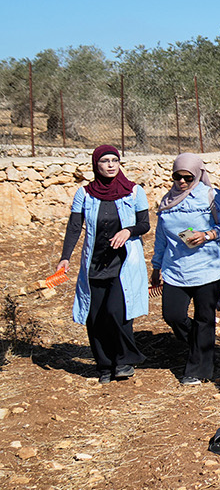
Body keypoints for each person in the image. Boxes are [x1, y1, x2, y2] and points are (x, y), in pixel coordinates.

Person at [56, 145, 152, 383]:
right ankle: (104, 366)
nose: (110, 165)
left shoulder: (133, 191)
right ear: (95, 165)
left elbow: (144, 224)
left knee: (116, 311)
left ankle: (124, 360)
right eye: (105, 161)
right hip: (95, 263)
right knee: (96, 316)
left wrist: (128, 231)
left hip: (124, 265)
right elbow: (75, 227)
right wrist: (65, 257)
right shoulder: (85, 194)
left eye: (114, 160)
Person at [150, 153, 220, 386]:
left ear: (198, 175)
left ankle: (197, 369)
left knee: (204, 318)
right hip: (175, 270)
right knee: (173, 315)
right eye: (177, 176)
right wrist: (156, 266)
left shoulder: (211, 196)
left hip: (208, 268)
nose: (181, 182)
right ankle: (201, 346)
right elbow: (161, 237)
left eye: (187, 177)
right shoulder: (167, 201)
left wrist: (208, 235)